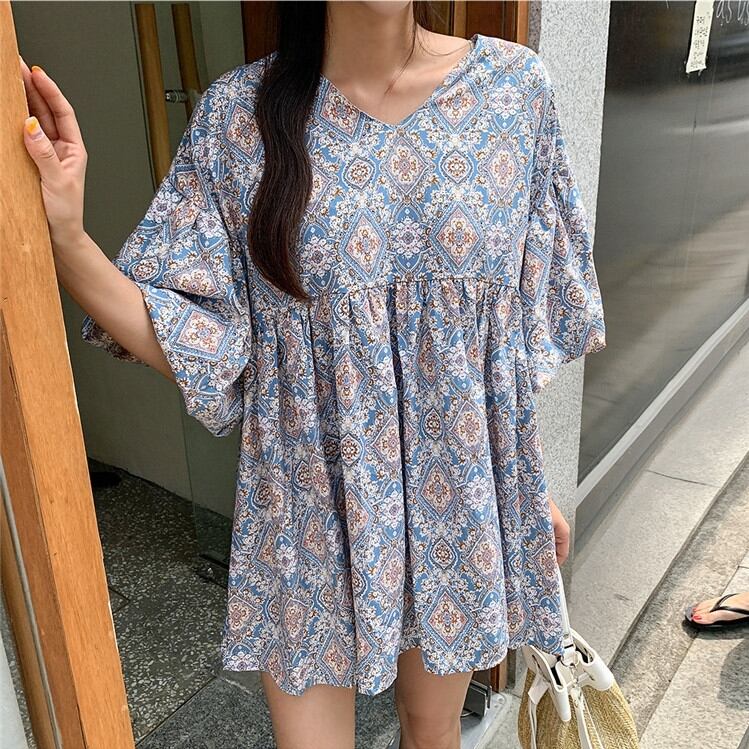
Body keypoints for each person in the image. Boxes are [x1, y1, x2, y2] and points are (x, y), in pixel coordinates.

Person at [19, 2, 606, 748]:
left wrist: (521, 486)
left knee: (433, 732)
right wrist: (68, 238)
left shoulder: (513, 90)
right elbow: (198, 336)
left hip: (455, 494)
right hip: (307, 509)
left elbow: (506, 339)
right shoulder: (240, 117)